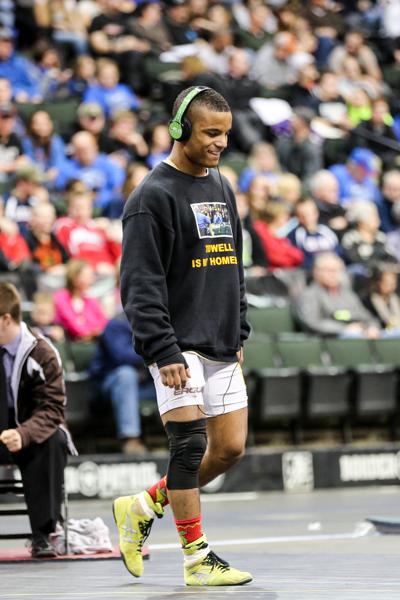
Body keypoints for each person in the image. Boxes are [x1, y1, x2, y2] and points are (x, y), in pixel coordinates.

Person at [113, 86, 252, 586]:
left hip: (219, 340)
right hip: (176, 345)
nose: (220, 143)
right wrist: (163, 348)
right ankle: (196, 557)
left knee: (230, 448)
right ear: (180, 129)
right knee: (190, 447)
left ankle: (143, 505)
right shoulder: (151, 197)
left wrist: (239, 327)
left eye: (225, 134)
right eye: (211, 133)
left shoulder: (221, 183)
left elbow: (234, 263)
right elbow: (139, 284)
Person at [0, 282, 76, 557]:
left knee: (53, 439)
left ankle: (44, 533)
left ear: (6, 318)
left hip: (32, 431)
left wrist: (23, 433)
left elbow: (54, 409)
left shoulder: (42, 352)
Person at [89, 311, 154, 454]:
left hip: (143, 387)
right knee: (126, 375)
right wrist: (155, 351)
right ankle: (131, 439)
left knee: (175, 371)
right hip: (109, 384)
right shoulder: (117, 323)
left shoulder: (155, 321)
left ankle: (185, 437)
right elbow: (122, 356)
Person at [294, 251, 380, 338]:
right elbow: (312, 323)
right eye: (329, 271)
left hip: (359, 335)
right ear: (316, 272)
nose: (334, 275)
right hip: (331, 339)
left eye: (338, 270)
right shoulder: (309, 295)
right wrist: (344, 329)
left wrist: (372, 327)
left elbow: (367, 317)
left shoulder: (347, 293)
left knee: (392, 334)